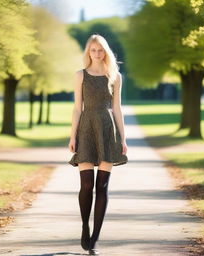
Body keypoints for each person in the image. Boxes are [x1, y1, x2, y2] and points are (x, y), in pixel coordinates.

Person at [68, 34, 128, 255]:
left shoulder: (115, 76)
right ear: (88, 52)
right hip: (85, 129)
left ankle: (95, 238)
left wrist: (123, 138)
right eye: (93, 50)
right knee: (87, 186)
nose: (96, 53)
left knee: (102, 187)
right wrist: (72, 136)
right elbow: (77, 108)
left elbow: (117, 109)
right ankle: (85, 226)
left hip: (107, 129)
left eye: (100, 50)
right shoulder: (80, 75)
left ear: (106, 51)